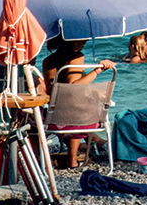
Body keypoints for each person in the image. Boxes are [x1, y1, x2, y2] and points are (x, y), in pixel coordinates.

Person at [42, 40, 117, 169]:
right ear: (72, 41)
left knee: (76, 104)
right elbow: (74, 86)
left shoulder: (47, 61)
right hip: (78, 122)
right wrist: (97, 70)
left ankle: (95, 142)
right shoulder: (77, 56)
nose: (86, 41)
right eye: (82, 40)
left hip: (53, 121)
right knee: (81, 105)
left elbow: (55, 91)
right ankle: (73, 157)